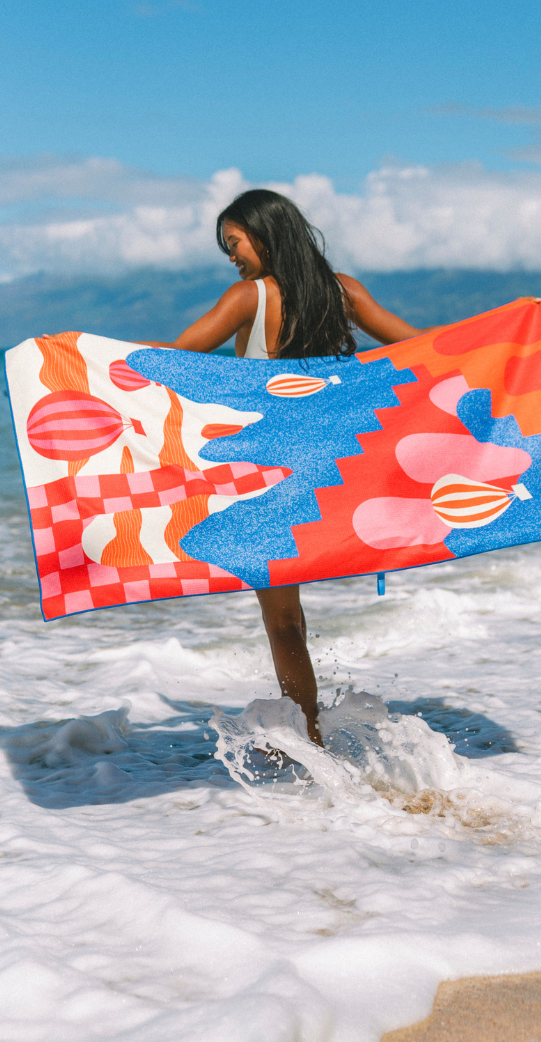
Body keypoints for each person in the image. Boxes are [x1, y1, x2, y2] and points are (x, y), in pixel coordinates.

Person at [159, 189, 427, 746]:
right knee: (292, 616)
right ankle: (311, 721)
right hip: (330, 477)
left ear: (264, 235)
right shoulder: (343, 292)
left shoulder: (249, 298)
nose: (231, 256)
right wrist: (506, 330)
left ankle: (309, 743)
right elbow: (422, 349)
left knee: (281, 620)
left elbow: (174, 356)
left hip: (270, 484)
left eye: (234, 243)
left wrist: (76, 351)